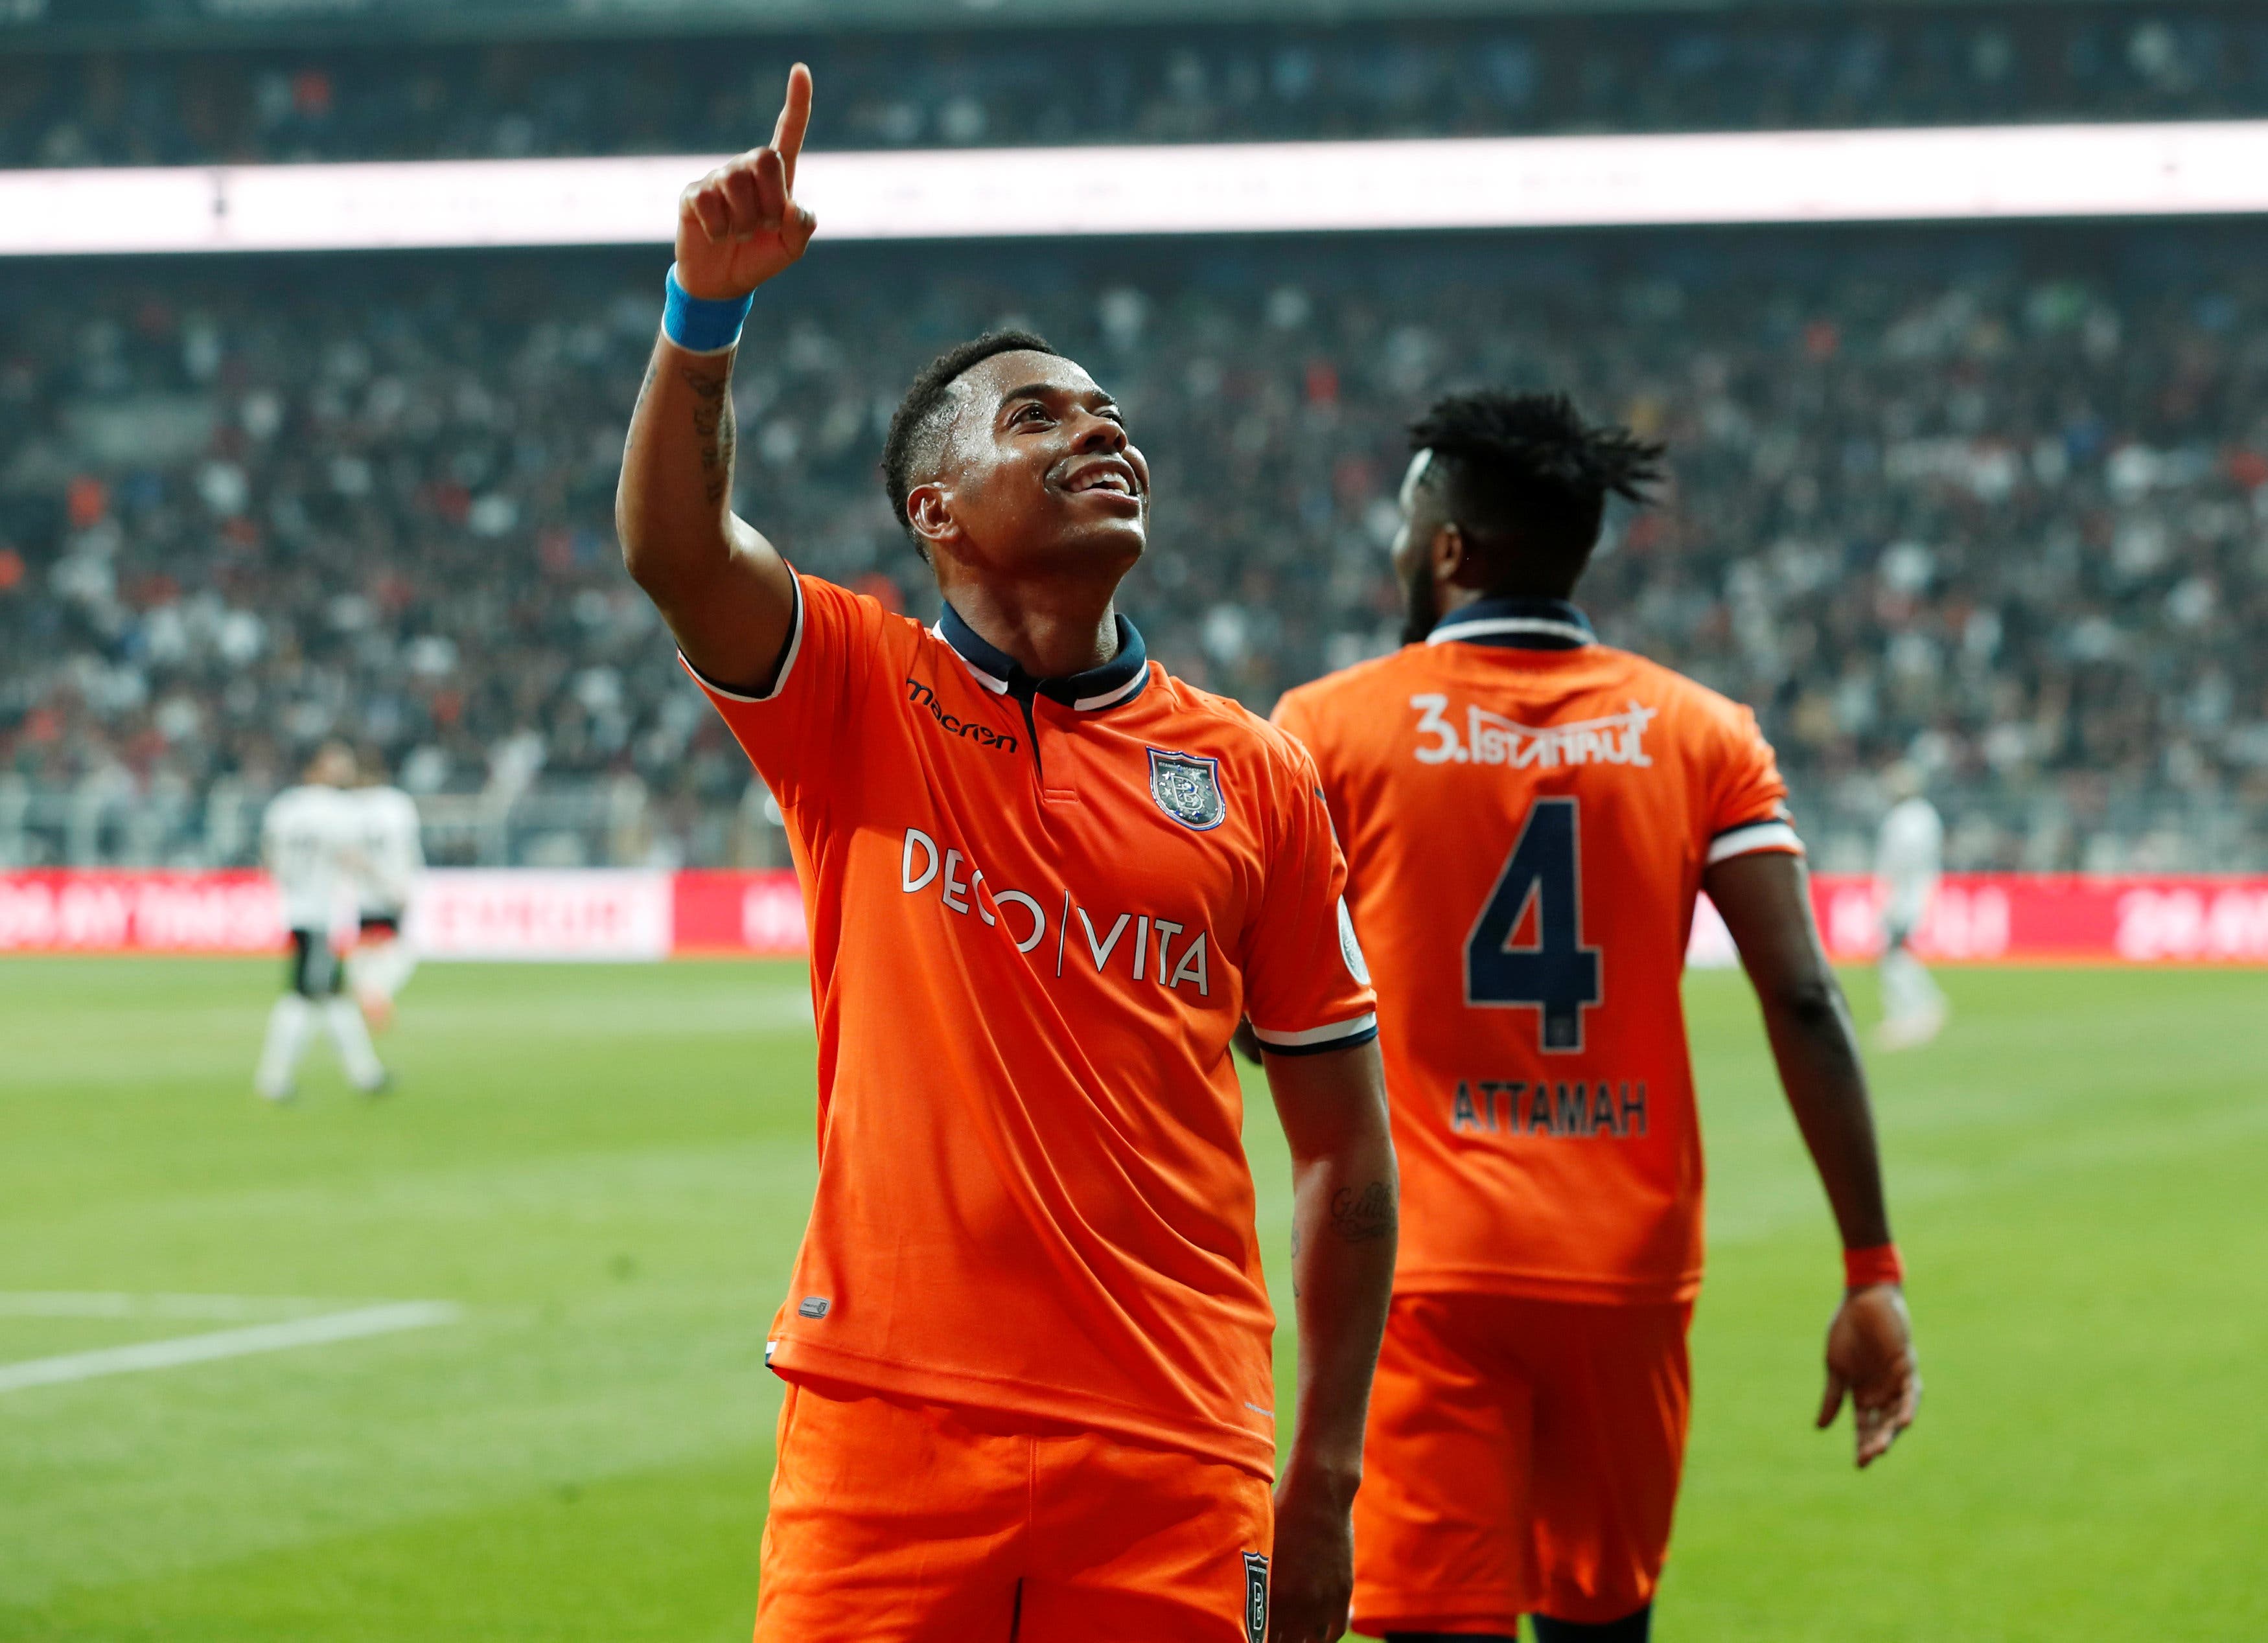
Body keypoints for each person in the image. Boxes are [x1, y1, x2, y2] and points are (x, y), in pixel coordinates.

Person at [615, 65, 1396, 1643]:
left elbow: (1347, 1152)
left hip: (1180, 1451)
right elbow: (677, 550)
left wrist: (1325, 1484)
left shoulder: (1253, 772)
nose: (1101, 433)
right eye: (1038, 416)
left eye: (1111, 418)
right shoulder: (858, 690)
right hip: (884, 1435)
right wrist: (705, 314)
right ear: (938, 510)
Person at [1269, 393, 1920, 1643]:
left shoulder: (1325, 728)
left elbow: (1269, 1003)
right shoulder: (1705, 733)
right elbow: (1802, 992)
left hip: (1425, 1268)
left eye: (1410, 524)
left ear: (1449, 548)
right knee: (1605, 1625)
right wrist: (1871, 1271)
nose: (1400, 549)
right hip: (1626, 1268)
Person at [255, 741, 389, 1101]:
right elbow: (350, 855)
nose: (344, 771)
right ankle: (273, 1079)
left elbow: (268, 858)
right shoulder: (339, 810)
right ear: (318, 769)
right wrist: (386, 884)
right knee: (304, 996)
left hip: (295, 908)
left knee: (333, 997)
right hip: (318, 913)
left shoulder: (284, 807)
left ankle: (366, 1074)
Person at [346, 753, 425, 1032]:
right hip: (392, 889)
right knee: (399, 949)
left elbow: (347, 853)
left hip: (362, 893)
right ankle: (372, 994)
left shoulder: (348, 807)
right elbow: (409, 847)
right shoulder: (398, 804)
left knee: (368, 948)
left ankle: (366, 992)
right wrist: (407, 882)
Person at [1873, 761, 1949, 1050]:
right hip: (1919, 890)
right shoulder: (1926, 815)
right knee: (1897, 954)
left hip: (1906, 894)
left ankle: (1909, 1014)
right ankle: (1923, 1006)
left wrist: (1889, 896)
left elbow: (1898, 862)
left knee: (1893, 953)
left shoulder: (1903, 819)